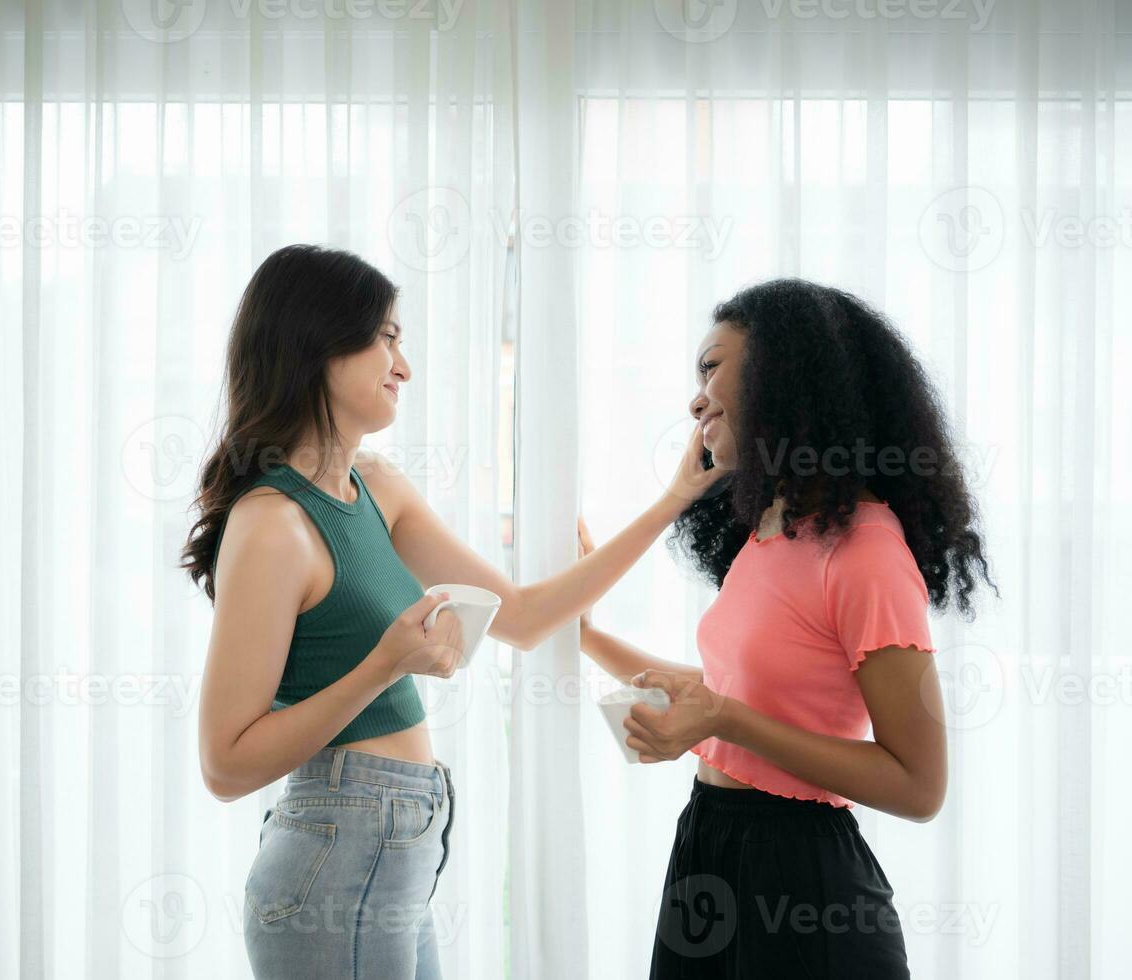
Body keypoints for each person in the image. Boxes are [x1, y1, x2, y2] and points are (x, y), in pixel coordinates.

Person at [183, 243, 723, 978]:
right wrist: (384, 666)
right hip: (338, 845)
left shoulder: (377, 485)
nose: (403, 366)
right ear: (316, 345)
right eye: (387, 338)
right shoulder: (271, 523)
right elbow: (225, 763)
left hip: (399, 840)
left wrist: (673, 501)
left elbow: (526, 618)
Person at [576, 278, 996, 978]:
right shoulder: (774, 531)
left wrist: (725, 721)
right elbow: (727, 695)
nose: (696, 397)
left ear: (786, 373)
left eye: (712, 367)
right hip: (709, 848)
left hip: (803, 885)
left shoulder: (865, 551)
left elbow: (919, 787)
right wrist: (586, 635)